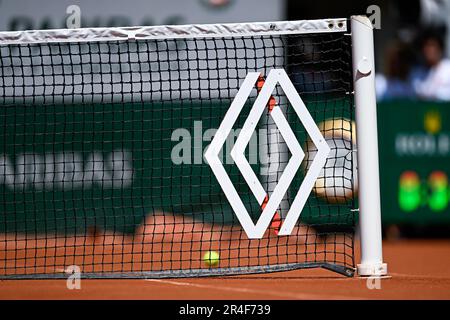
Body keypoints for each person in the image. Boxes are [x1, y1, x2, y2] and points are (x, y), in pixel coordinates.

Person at [412, 31, 450, 101]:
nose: (428, 49)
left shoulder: (448, 68)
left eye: (432, 45)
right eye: (425, 46)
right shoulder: (415, 73)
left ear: (440, 48)